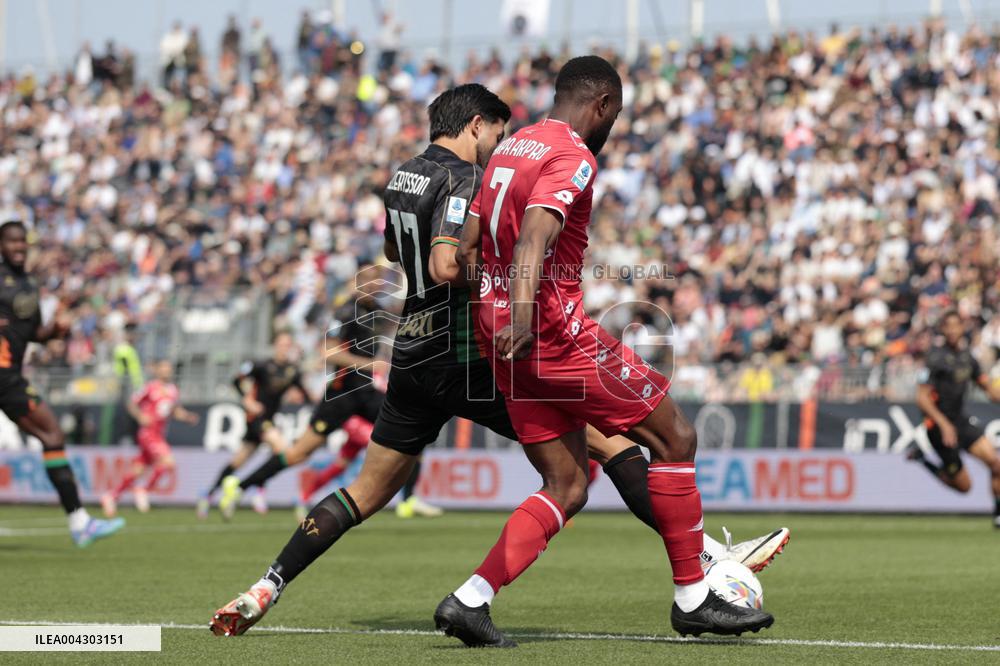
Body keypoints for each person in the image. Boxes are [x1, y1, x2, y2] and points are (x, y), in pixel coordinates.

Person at [208, 84, 786, 638]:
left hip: (412, 351)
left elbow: (393, 252)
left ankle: (268, 584)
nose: (498, 147)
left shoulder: (404, 176)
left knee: (365, 492)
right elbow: (444, 266)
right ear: (475, 124)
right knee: (610, 447)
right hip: (469, 357)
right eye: (496, 133)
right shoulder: (466, 179)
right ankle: (704, 562)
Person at [435, 56, 772, 646]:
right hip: (550, 335)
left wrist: (496, 310)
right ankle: (693, 596)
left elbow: (466, 247)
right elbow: (536, 237)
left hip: (499, 340)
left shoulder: (511, 149)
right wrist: (520, 311)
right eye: (615, 114)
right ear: (603, 106)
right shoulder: (571, 154)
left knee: (566, 484)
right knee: (677, 437)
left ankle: (470, 599)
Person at [0, 220, 124, 547]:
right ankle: (79, 522)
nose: (18, 247)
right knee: (50, 433)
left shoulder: (27, 283)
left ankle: (80, 522)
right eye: (11, 242)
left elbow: (32, 333)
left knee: (52, 434)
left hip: (10, 375)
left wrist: (55, 331)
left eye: (21, 241)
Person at [216, 283, 387, 519]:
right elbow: (329, 353)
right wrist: (369, 365)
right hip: (340, 397)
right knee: (297, 454)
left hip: (366, 394)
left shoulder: (377, 312)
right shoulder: (345, 313)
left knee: (409, 426)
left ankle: (407, 499)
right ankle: (240, 487)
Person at [199, 331, 308, 518]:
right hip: (256, 418)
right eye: (281, 344)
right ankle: (257, 491)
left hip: (269, 419)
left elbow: (305, 393)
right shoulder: (261, 365)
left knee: (238, 461)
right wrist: (246, 400)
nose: (284, 348)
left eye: (287, 345)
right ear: (275, 345)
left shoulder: (292, 371)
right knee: (282, 449)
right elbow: (236, 380)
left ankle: (209, 494)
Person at [906, 310, 1000, 527]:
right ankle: (923, 460)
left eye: (956, 325)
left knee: (996, 465)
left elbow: (989, 389)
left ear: (962, 328)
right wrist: (944, 424)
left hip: (960, 421)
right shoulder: (934, 358)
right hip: (938, 426)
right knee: (964, 487)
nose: (952, 330)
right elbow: (922, 399)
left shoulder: (968, 358)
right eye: (947, 326)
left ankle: (998, 514)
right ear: (943, 329)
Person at [101, 359, 199, 516]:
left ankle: (111, 496)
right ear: (157, 370)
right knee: (168, 462)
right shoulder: (150, 387)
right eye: (164, 367)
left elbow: (174, 411)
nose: (167, 370)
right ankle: (143, 490)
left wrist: (187, 417)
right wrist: (140, 416)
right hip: (148, 433)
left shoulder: (173, 390)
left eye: (169, 368)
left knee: (137, 470)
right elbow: (131, 403)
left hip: (159, 434)